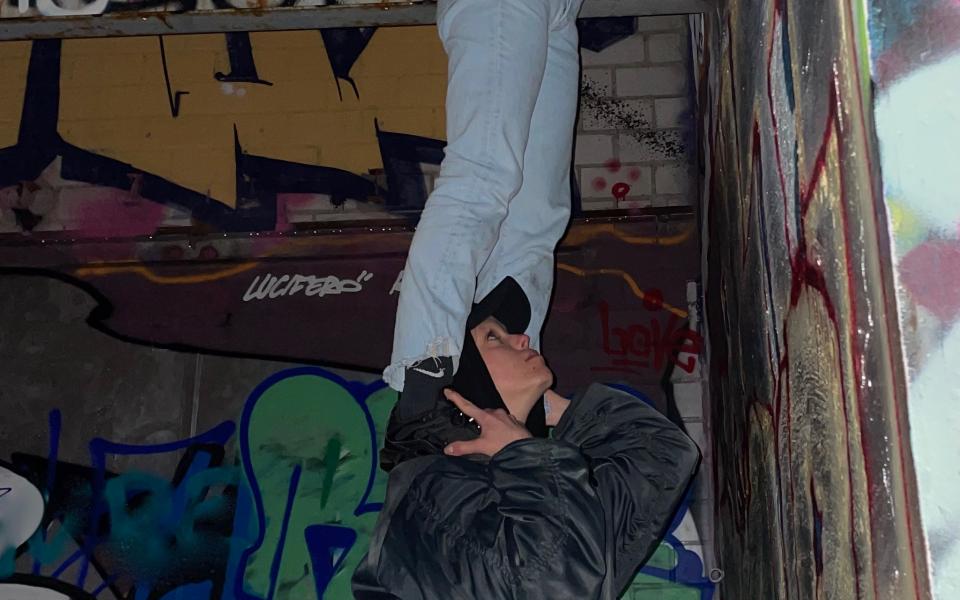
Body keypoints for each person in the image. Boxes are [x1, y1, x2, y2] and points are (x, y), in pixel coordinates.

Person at [353, 278, 702, 599]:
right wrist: (522, 454)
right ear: (462, 387)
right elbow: (553, 586)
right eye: (494, 337)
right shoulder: (434, 489)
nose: (522, 339)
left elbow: (664, 455)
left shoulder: (526, 483)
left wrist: (557, 413)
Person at [379, 0, 585, 471]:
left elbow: (466, 209)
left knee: (481, 182)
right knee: (540, 220)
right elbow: (655, 457)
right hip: (552, 17)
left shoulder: (432, 373)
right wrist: (547, 418)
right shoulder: (521, 330)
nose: (521, 342)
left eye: (494, 339)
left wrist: (427, 393)